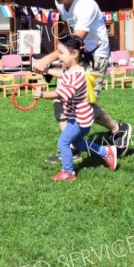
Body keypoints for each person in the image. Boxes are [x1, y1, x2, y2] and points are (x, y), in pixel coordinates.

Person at [33, 0, 132, 162]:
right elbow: (71, 36)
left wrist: (48, 58)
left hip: (97, 55)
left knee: (83, 104)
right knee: (61, 101)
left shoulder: (86, 5)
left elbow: (76, 39)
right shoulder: (60, 3)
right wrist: (65, 58)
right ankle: (70, 148)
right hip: (78, 55)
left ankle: (117, 129)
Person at [34, 35, 117, 181]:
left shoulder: (78, 75)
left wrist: (42, 94)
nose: (58, 56)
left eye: (61, 53)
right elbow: (62, 74)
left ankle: (68, 172)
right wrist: (46, 71)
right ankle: (106, 152)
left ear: (74, 54)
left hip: (80, 119)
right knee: (78, 142)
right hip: (76, 117)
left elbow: (61, 94)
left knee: (63, 142)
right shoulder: (70, 70)